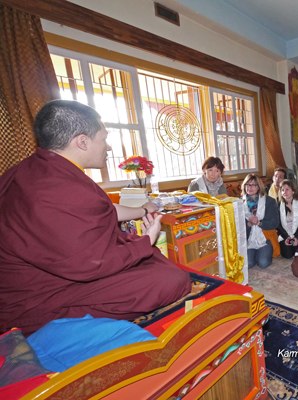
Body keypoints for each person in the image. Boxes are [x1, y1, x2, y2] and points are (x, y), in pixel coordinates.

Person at [0, 100, 191, 335]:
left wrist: (144, 209)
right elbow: (91, 265)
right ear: (82, 141)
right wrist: (145, 241)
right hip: (36, 299)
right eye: (104, 138)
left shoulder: (32, 169)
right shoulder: (59, 188)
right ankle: (55, 329)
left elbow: (105, 209)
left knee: (151, 260)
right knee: (171, 280)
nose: (108, 147)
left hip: (45, 276)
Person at [241, 174, 280, 268]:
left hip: (265, 238)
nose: (250, 187)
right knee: (248, 264)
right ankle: (255, 253)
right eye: (248, 184)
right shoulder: (240, 203)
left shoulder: (269, 201)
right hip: (249, 240)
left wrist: (259, 223)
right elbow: (238, 227)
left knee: (263, 263)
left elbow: (275, 222)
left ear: (259, 187)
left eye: (254, 185)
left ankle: (264, 252)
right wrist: (249, 224)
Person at [277, 179, 298, 259]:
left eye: (287, 189)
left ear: (293, 191)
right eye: (282, 190)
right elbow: (278, 225)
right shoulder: (278, 205)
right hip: (285, 235)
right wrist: (286, 237)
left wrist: (297, 237)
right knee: (288, 255)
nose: (284, 192)